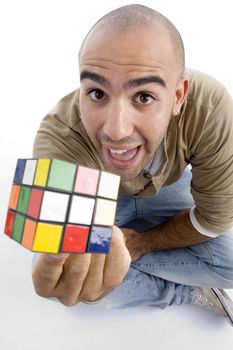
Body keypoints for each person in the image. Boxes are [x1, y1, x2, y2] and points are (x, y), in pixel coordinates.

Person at [32, 4, 233, 325]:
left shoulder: (210, 107)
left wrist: (141, 244)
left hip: (167, 194)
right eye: (97, 93)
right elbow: (60, 258)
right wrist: (73, 270)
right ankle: (185, 291)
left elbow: (215, 219)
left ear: (179, 96)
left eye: (143, 96)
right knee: (79, 282)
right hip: (100, 204)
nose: (116, 130)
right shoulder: (59, 139)